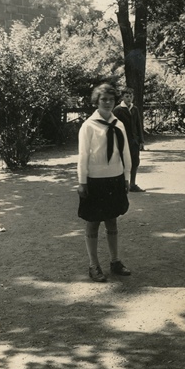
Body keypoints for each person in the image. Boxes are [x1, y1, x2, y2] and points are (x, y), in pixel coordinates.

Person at [76, 83, 132, 282]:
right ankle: (94, 265)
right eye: (103, 100)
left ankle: (115, 261)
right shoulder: (88, 126)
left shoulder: (119, 124)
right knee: (93, 222)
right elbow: (82, 156)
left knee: (112, 219)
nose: (107, 103)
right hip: (94, 181)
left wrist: (127, 177)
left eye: (110, 99)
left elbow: (125, 152)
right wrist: (82, 182)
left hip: (115, 178)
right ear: (96, 102)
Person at [113, 87, 146, 192]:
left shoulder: (135, 109)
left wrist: (141, 140)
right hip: (123, 141)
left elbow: (138, 125)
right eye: (127, 96)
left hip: (134, 141)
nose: (129, 99)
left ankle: (132, 184)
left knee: (135, 161)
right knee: (123, 162)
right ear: (122, 97)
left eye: (131, 96)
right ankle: (122, 184)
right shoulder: (118, 110)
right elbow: (114, 127)